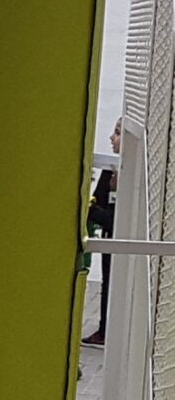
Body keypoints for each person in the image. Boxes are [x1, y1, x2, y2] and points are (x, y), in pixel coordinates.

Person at [88, 121, 119, 346]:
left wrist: (116, 193)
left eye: (117, 133)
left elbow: (115, 218)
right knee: (107, 282)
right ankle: (104, 330)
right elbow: (97, 205)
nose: (111, 138)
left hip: (120, 235)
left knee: (116, 284)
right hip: (109, 236)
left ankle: (109, 331)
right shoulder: (110, 167)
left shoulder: (136, 174)